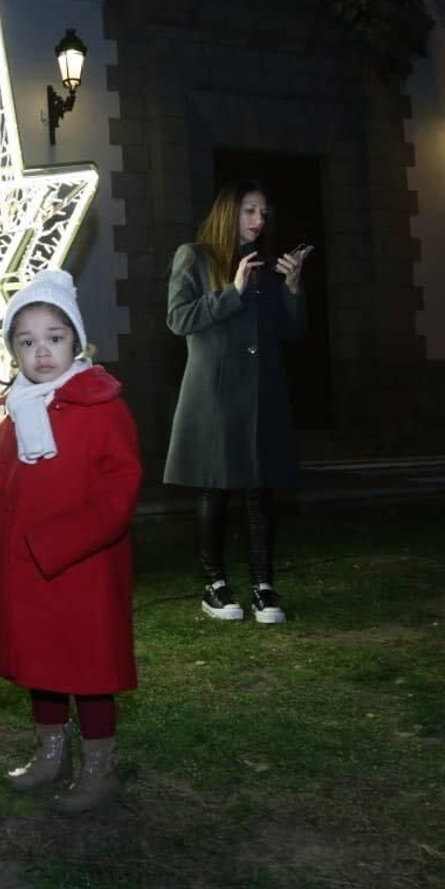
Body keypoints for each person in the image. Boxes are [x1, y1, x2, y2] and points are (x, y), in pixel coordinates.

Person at [0, 268, 142, 814]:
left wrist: (55, 541)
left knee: (88, 668)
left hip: (82, 571)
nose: (41, 353)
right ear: (13, 349)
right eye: (26, 340)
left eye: (53, 338)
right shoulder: (19, 408)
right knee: (42, 664)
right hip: (27, 571)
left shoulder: (102, 408)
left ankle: (99, 764)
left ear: (77, 342)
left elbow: (117, 492)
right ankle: (50, 751)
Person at [164, 179, 311, 624]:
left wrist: (292, 287)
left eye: (263, 213)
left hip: (262, 391)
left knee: (258, 489)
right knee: (215, 487)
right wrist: (234, 291)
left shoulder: (265, 267)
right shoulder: (195, 256)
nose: (259, 220)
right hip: (214, 392)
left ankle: (264, 586)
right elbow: (178, 318)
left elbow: (292, 332)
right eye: (250, 210)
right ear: (230, 212)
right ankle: (216, 584)